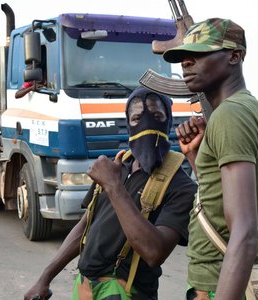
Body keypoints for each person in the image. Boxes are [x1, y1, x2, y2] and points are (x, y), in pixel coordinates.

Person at [23, 87, 197, 300]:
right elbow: (85, 227)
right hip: (85, 288)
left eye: (157, 116)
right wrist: (45, 278)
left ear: (168, 121)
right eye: (136, 118)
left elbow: (154, 253)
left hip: (125, 292)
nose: (147, 124)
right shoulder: (116, 166)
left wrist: (114, 187)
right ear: (128, 124)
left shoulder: (180, 185)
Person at [163, 18, 258, 300]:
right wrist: (196, 156)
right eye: (183, 56)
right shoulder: (257, 112)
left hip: (220, 283)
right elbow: (220, 199)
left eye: (200, 54)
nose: (186, 63)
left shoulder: (230, 115)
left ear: (234, 56)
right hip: (235, 278)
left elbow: (245, 232)